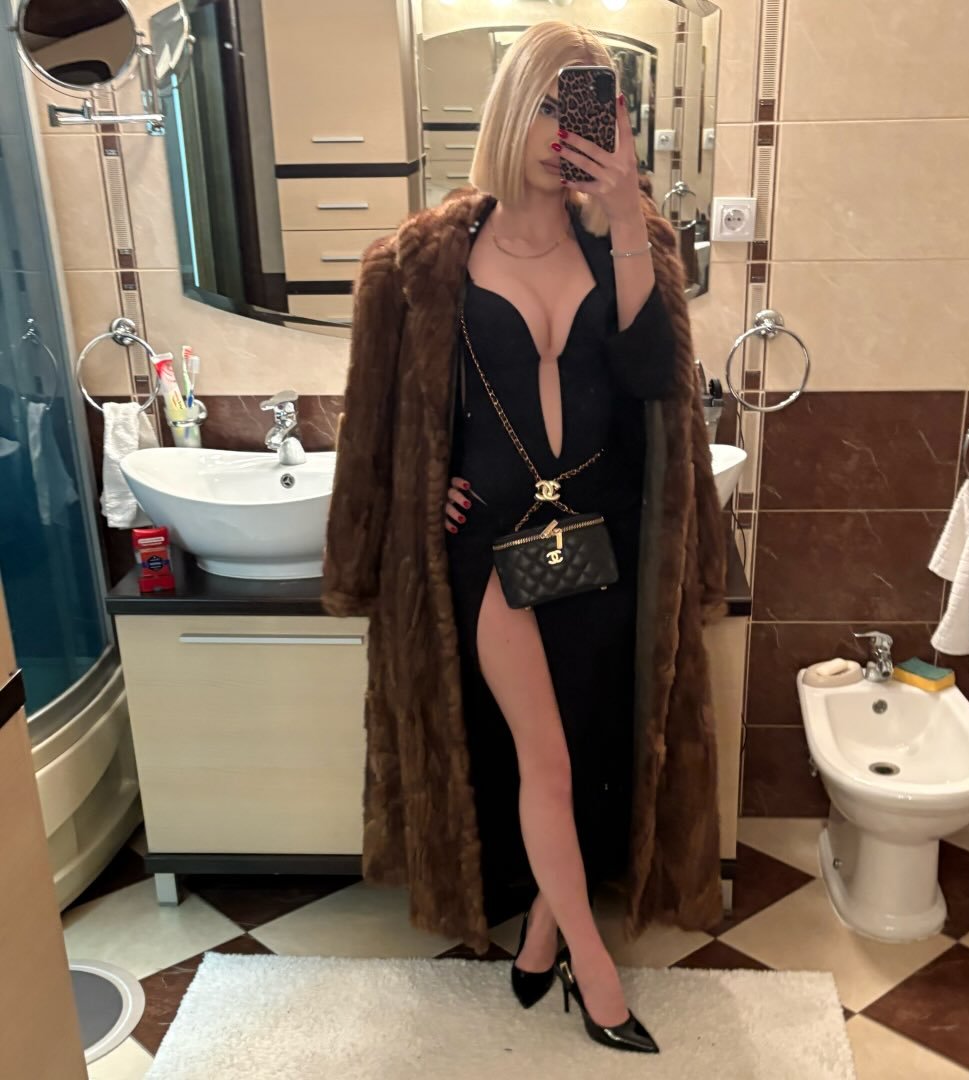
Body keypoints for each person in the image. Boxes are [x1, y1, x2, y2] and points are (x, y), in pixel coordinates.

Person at [323, 20, 729, 1056]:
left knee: (588, 752)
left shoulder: (625, 242)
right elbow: (390, 422)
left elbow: (653, 379)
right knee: (543, 762)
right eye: (548, 105)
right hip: (493, 552)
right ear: (510, 109)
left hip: (603, 541)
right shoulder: (426, 261)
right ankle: (597, 976)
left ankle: (543, 935)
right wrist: (425, 497)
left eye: (586, 107)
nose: (563, 132)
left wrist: (628, 208)